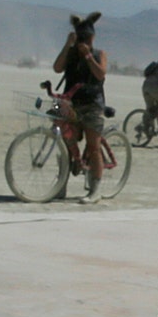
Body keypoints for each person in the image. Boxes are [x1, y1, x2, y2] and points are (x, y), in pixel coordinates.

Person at [53, 12, 108, 202]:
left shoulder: (98, 54)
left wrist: (88, 57)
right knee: (66, 144)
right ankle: (61, 186)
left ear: (92, 38)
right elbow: (57, 68)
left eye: (86, 38)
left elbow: (100, 74)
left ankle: (95, 190)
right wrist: (68, 45)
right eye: (80, 38)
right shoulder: (70, 53)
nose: (83, 42)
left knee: (94, 147)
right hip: (71, 104)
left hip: (92, 104)